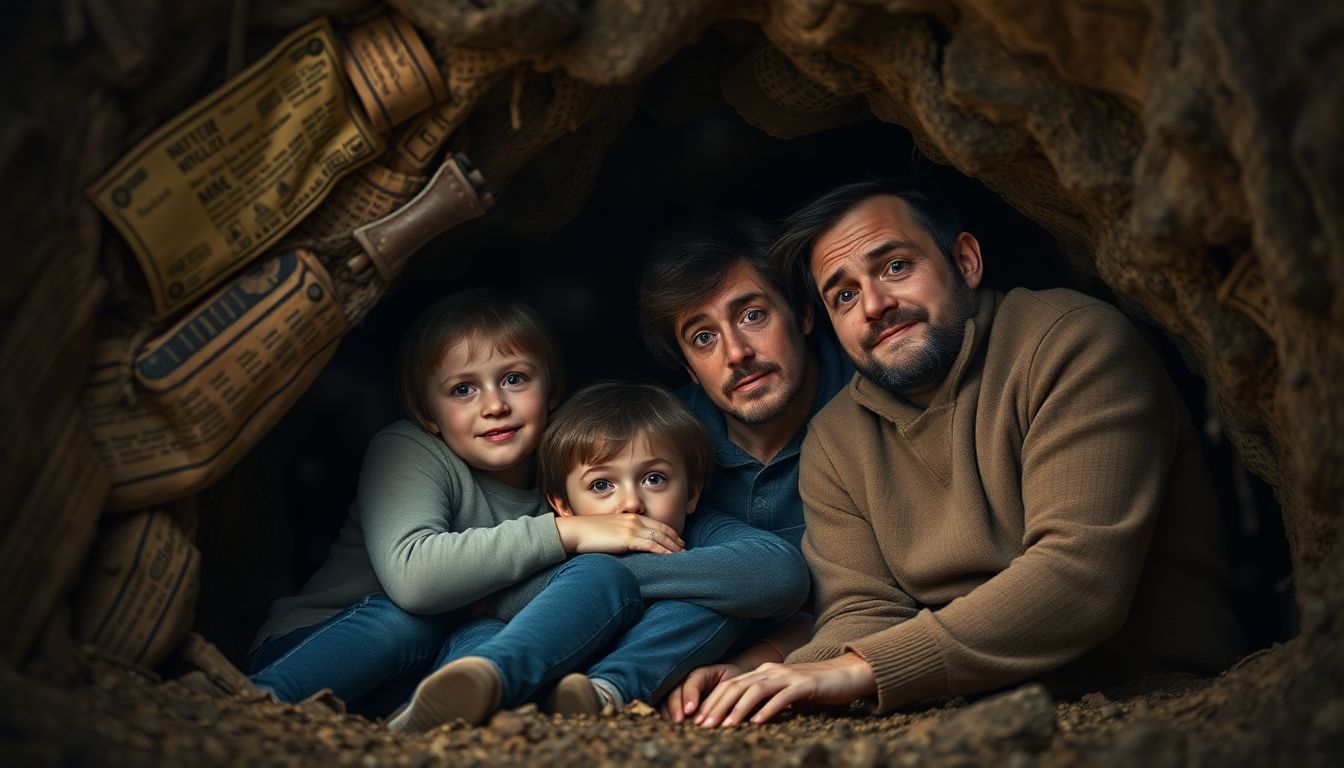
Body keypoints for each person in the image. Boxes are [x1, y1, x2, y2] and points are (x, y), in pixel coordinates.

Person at [687, 181, 1246, 727]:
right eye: (845, 295)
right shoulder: (836, 438)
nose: (875, 306)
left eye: (895, 267)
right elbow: (861, 613)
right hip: (965, 710)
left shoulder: (1072, 344)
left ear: (966, 260)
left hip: (1161, 703)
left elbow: (1079, 580)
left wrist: (860, 668)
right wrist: (766, 675)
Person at [246, 291, 695, 713]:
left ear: (552, 390)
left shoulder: (575, 474)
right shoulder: (406, 449)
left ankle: (437, 721)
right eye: (463, 390)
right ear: (428, 414)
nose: (494, 405)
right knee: (412, 619)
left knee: (484, 637)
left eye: (514, 379)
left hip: (425, 671)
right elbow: (415, 581)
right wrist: (565, 531)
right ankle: (258, 702)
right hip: (317, 647)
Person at [387, 383, 809, 731]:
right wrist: (599, 571)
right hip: (512, 649)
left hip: (594, 679)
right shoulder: (557, 542)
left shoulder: (702, 532)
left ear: (692, 491)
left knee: (707, 608)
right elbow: (502, 604)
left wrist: (625, 573)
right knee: (495, 628)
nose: (631, 503)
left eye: (654, 479)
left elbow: (781, 575)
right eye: (602, 486)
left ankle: (602, 694)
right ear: (563, 506)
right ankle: (474, 688)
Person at [636, 217, 854, 721]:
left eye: (752, 315)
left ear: (803, 312)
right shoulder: (657, 442)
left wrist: (762, 659)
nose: (737, 354)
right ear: (689, 368)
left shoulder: (875, 401)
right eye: (704, 338)